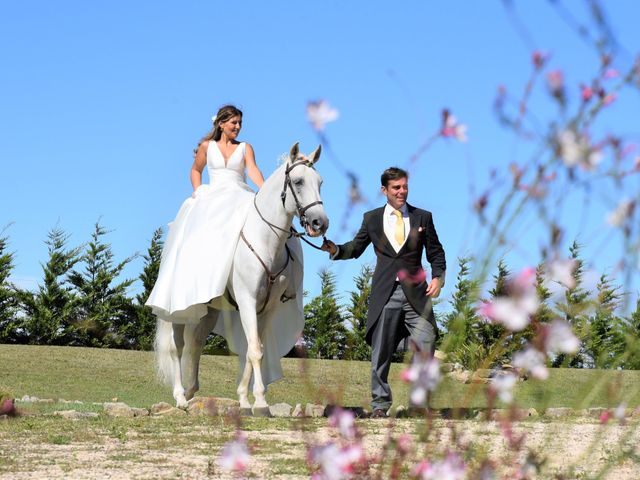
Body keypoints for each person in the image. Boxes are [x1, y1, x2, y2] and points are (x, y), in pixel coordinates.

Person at [146, 104, 305, 385]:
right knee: (200, 234)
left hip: (240, 196)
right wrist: (198, 191)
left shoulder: (246, 148)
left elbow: (254, 172)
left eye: (240, 123)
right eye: (233, 122)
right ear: (221, 123)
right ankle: (198, 279)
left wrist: (264, 191)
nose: (238, 127)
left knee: (265, 234)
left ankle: (280, 284)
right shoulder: (207, 147)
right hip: (214, 196)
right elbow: (195, 171)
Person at [321, 167, 446, 418]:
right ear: (384, 190)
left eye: (405, 186)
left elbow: (436, 253)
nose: (402, 191)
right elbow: (355, 248)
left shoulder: (423, 217)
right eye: (396, 188)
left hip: (417, 294)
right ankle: (379, 404)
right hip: (385, 292)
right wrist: (335, 249)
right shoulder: (372, 219)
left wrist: (438, 278)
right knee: (381, 350)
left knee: (426, 340)